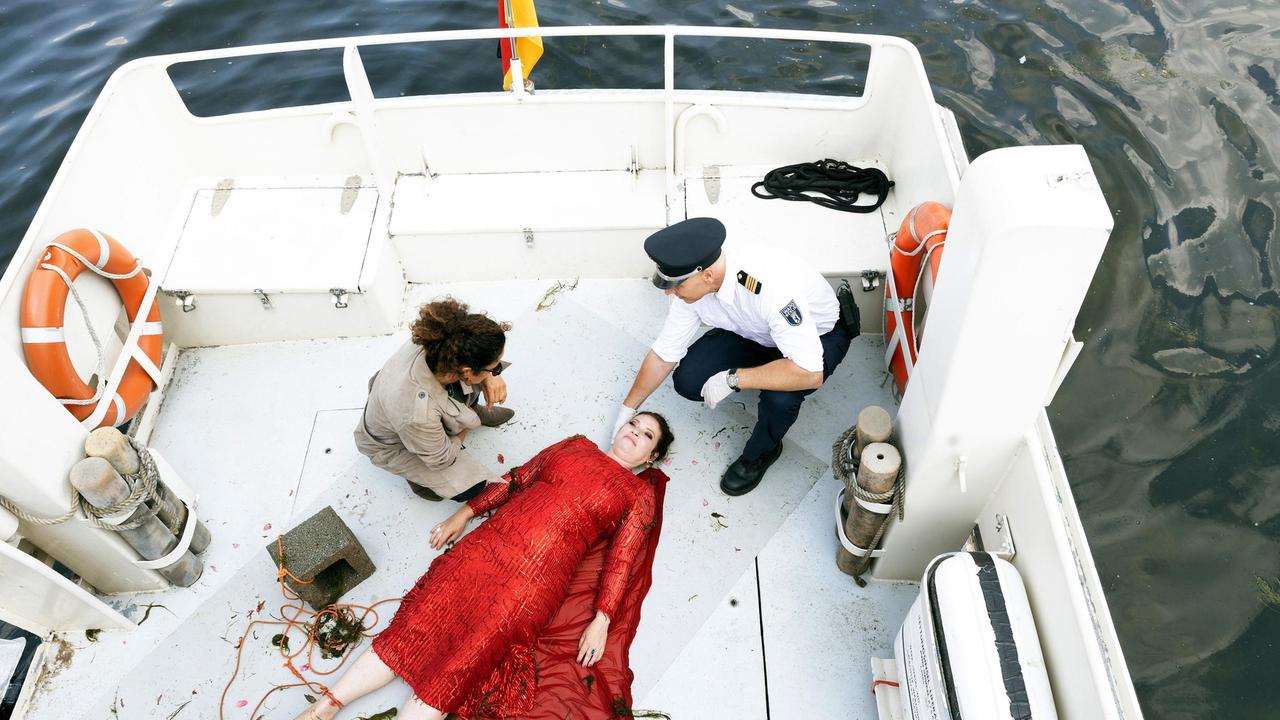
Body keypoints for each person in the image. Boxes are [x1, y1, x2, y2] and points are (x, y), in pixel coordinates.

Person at [295, 412, 675, 720]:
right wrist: (464, 514)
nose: (634, 433)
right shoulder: (575, 445)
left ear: (650, 457)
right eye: (634, 424)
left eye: (646, 436)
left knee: (461, 663)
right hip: (487, 548)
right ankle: (325, 707)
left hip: (534, 584)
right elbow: (517, 479)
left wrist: (602, 619)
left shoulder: (636, 493)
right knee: (414, 630)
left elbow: (622, 559)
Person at [612, 217, 854, 496]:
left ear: (708, 276)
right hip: (758, 334)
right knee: (688, 379)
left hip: (816, 339)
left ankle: (761, 453)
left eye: (676, 285)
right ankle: (760, 372)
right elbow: (663, 355)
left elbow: (810, 372)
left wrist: (733, 379)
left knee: (780, 399)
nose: (670, 291)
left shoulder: (770, 289)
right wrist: (627, 410)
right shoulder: (691, 290)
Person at [355, 298, 515, 502]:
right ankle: (419, 481)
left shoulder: (444, 340)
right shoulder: (417, 415)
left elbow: (473, 363)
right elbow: (442, 459)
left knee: (476, 383)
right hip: (394, 442)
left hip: (405, 400)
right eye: (495, 367)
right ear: (466, 371)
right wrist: (466, 425)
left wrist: (491, 376)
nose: (497, 371)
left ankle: (469, 408)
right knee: (472, 488)